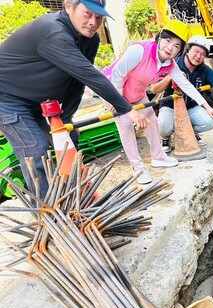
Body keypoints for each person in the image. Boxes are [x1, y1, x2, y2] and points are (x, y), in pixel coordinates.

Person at [0, 0, 151, 196]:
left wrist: (66, 119)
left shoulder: (91, 40)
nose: (93, 22)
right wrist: (128, 109)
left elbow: (77, 82)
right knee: (36, 150)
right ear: (68, 6)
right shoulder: (52, 31)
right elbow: (90, 75)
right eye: (87, 14)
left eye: (98, 17)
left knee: (69, 136)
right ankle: (49, 212)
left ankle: (78, 198)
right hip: (7, 99)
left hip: (36, 102)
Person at [102, 23, 213, 184]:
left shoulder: (170, 65)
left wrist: (206, 106)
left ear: (180, 50)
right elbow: (117, 74)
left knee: (151, 120)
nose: (170, 47)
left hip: (137, 94)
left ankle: (158, 157)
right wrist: (120, 104)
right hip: (114, 91)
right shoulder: (140, 50)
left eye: (177, 45)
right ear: (159, 38)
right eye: (167, 41)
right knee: (126, 126)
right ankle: (138, 169)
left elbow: (186, 86)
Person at [155, 35, 213, 151]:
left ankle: (191, 132)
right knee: (164, 126)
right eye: (196, 51)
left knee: (209, 122)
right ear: (188, 49)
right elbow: (155, 89)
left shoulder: (204, 70)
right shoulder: (172, 64)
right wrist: (170, 78)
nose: (198, 56)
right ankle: (165, 138)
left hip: (191, 107)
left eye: (203, 54)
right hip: (170, 107)